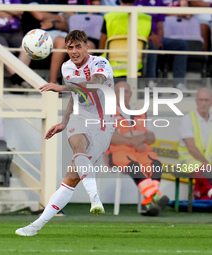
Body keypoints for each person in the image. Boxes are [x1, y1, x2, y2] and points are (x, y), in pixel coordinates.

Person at [15, 30, 115, 236]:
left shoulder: (101, 63)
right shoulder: (67, 67)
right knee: (77, 145)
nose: (74, 51)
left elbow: (94, 85)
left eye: (78, 46)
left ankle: (37, 225)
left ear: (87, 47)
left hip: (103, 122)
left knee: (70, 179)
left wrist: (60, 88)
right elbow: (75, 96)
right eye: (70, 47)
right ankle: (93, 198)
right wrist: (64, 121)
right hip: (79, 117)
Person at [106, 81, 169, 216]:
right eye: (119, 92)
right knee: (133, 165)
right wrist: (133, 141)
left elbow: (151, 137)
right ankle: (154, 198)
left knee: (156, 164)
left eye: (126, 92)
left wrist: (141, 139)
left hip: (141, 151)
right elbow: (110, 137)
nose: (123, 95)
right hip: (118, 153)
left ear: (131, 94)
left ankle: (150, 203)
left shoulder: (141, 113)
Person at [134, 0, 188, 91]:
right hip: (141, 38)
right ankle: (150, 83)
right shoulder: (137, 2)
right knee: (153, 45)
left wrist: (158, 38)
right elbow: (136, 24)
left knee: (182, 44)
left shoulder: (159, 2)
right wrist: (150, 35)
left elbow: (160, 25)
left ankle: (178, 83)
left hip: (156, 38)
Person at [99, 0, 151, 77]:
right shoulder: (146, 18)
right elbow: (147, 44)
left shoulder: (109, 17)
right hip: (136, 66)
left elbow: (101, 48)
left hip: (111, 66)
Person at [21, 0, 69, 84]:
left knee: (84, 44)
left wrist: (53, 24)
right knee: (62, 42)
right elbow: (40, 16)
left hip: (60, 33)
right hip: (37, 34)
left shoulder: (56, 2)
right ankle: (53, 82)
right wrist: (58, 18)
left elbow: (65, 25)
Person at [178, 87, 212, 200]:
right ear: (196, 101)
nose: (203, 103)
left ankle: (201, 197)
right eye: (201, 100)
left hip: (207, 164)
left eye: (207, 100)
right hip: (191, 162)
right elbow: (191, 147)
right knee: (208, 175)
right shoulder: (188, 119)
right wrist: (206, 164)